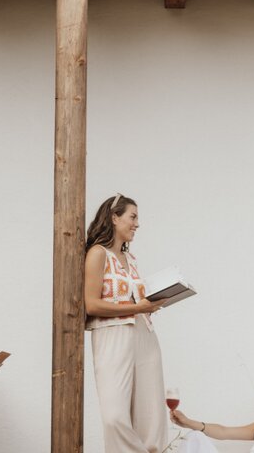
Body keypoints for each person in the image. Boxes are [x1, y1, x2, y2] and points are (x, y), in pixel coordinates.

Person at [84, 193, 167, 453]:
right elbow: (91, 305)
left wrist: (149, 306)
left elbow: (135, 301)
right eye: (133, 217)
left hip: (144, 333)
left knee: (150, 416)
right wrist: (136, 307)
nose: (137, 224)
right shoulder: (98, 254)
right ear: (114, 217)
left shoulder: (131, 259)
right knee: (114, 416)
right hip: (112, 334)